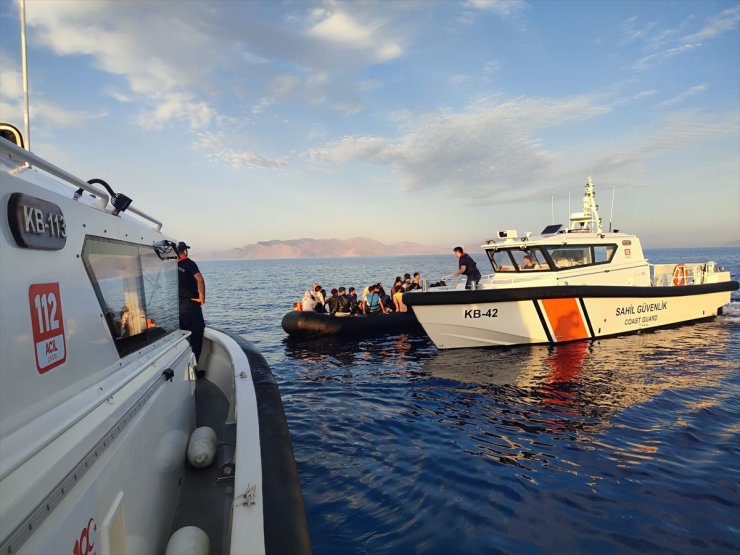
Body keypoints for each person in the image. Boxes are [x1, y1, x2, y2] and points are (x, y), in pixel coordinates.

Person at [177, 241, 206, 377]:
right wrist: (202, 298)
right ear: (185, 251)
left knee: (182, 340)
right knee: (196, 339)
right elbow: (200, 279)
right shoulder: (189, 263)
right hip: (191, 307)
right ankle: (193, 371)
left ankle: (181, 372)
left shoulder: (171, 265)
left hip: (177, 308)